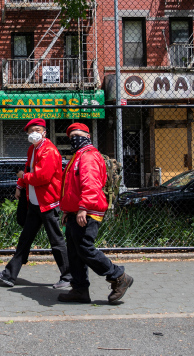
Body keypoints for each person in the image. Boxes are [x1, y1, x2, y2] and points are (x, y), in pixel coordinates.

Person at [57, 123, 133, 304]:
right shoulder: (78, 157)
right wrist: (69, 211)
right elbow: (71, 188)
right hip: (77, 211)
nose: (73, 138)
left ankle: (119, 276)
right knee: (74, 252)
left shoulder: (89, 156)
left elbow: (90, 184)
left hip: (87, 211)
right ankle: (80, 289)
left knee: (85, 249)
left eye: (77, 134)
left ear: (87, 136)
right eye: (71, 136)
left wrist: (83, 207)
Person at [0, 118, 71, 289]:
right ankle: (9, 275)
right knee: (25, 240)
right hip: (36, 203)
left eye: (37, 129)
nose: (33, 133)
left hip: (47, 203)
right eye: (30, 131)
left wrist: (23, 178)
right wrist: (20, 185)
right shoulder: (33, 149)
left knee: (56, 241)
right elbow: (28, 168)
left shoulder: (48, 151)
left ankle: (68, 276)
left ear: (44, 132)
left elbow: (43, 177)